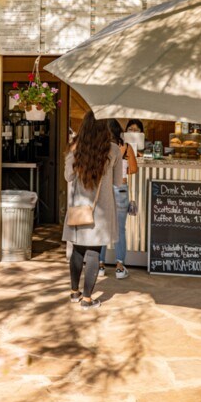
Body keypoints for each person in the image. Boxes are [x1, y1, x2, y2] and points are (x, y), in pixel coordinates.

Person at [63, 111, 123, 310]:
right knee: (93, 252)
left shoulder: (75, 148)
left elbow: (68, 177)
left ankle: (74, 292)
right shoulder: (114, 150)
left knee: (78, 249)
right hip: (101, 210)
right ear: (104, 128)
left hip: (79, 207)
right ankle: (87, 299)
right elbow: (116, 182)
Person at [99, 119, 138, 279]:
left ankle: (100, 266)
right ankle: (120, 267)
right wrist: (123, 168)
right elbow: (134, 169)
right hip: (121, 189)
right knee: (120, 229)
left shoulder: (100, 147)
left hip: (104, 190)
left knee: (102, 227)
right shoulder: (126, 147)